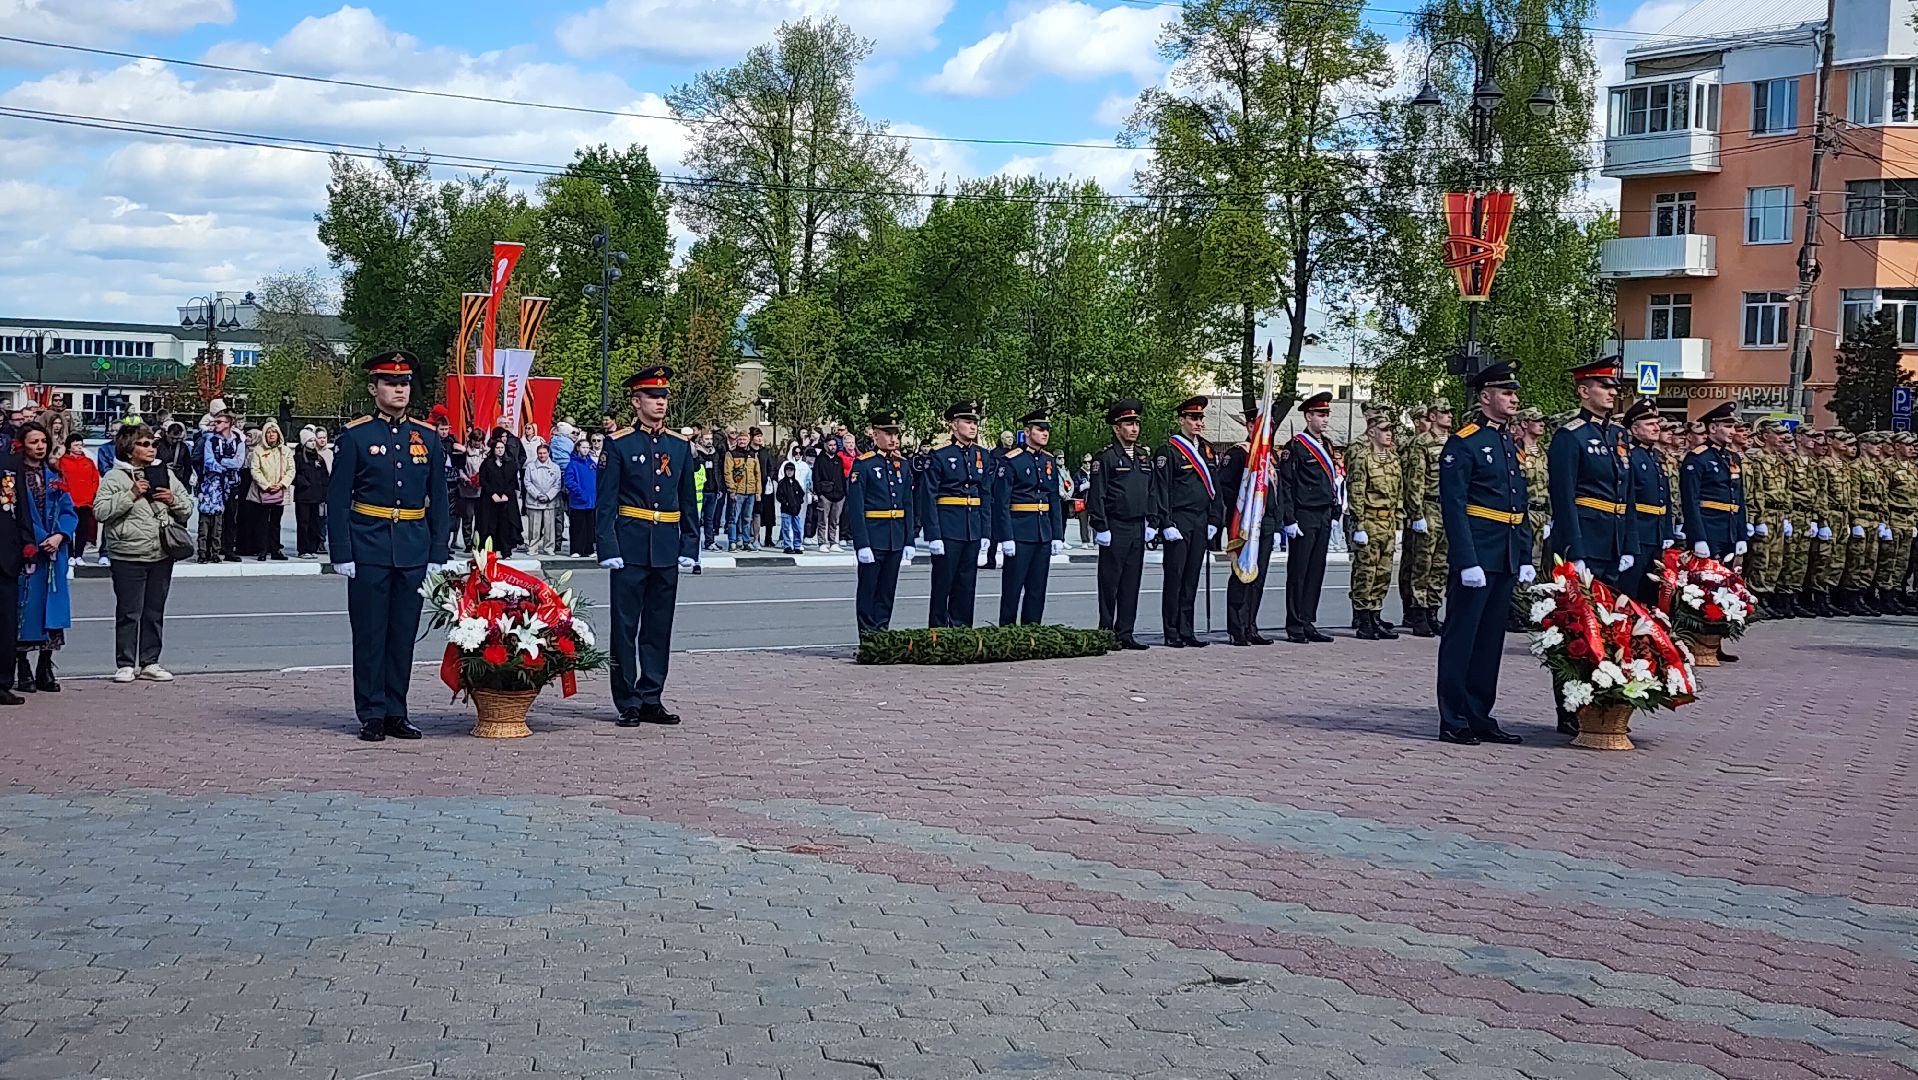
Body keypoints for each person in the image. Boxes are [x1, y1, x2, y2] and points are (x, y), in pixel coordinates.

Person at [327, 350, 450, 743]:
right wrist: (342, 552)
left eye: (404, 383)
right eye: (390, 383)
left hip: (412, 546)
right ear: (373, 388)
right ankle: (372, 712)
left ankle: (397, 710)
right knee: (369, 633)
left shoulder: (427, 436)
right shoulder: (356, 435)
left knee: (402, 634)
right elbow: (339, 498)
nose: (399, 390)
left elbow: (439, 500)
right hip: (369, 545)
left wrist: (437, 553)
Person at [1434, 361, 1531, 747]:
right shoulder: (1465, 442)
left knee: (1491, 640)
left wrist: (1523, 555)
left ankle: (1479, 713)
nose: (1514, 399)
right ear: (1485, 397)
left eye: (1514, 392)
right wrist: (1466, 559)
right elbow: (1454, 505)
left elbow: (1517, 501)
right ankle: (1453, 717)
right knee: (1463, 637)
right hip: (1478, 553)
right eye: (1506, 393)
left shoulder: (1507, 442)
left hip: (1505, 553)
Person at [596, 365, 698, 727]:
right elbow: (605, 501)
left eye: (664, 397)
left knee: (658, 626)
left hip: (666, 547)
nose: (660, 403)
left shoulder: (679, 445)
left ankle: (652, 694)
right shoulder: (620, 443)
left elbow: (689, 500)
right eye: (653, 397)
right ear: (636, 401)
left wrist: (690, 543)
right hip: (631, 546)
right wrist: (607, 547)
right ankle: (627, 700)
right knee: (625, 626)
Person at [93, 423, 189, 683]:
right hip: (127, 553)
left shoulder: (164, 473)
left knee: (154, 611)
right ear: (129, 448)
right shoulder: (115, 477)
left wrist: (174, 500)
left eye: (153, 444)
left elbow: (187, 506)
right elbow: (100, 511)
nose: (151, 448)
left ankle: (150, 661)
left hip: (160, 552)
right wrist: (131, 494)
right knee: (129, 612)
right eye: (144, 444)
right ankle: (125, 663)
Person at [13, 422, 75, 694]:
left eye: (42, 442)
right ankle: (23, 666)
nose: (39, 447)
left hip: (54, 550)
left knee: (53, 608)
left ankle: (46, 665)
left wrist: (60, 535)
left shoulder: (54, 474)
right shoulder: (13, 476)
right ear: (22, 444)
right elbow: (16, 513)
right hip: (29, 550)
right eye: (33, 442)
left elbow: (67, 509)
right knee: (25, 608)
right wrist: (38, 538)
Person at [919, 401, 992, 628]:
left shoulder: (982, 455)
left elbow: (987, 496)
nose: (973, 427)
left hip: (972, 527)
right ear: (954, 425)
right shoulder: (940, 456)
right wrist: (933, 534)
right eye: (968, 422)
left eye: (975, 423)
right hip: (948, 527)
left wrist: (986, 531)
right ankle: (938, 632)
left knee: (966, 584)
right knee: (943, 584)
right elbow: (928, 496)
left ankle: (961, 630)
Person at [1088, 399, 1154, 650]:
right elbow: (1098, 495)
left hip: (1137, 526)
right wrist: (1100, 526)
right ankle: (1106, 631)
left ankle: (1126, 631)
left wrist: (1152, 520)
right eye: (1128, 423)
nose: (1134, 428)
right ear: (1117, 428)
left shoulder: (1143, 457)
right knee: (1110, 582)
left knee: (1131, 582)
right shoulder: (1106, 457)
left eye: (1136, 423)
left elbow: (1151, 491)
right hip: (1115, 526)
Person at [990, 408, 1065, 626]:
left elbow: (1054, 500)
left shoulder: (1048, 461)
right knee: (1013, 588)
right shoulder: (1012, 460)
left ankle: (1033, 630)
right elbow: (1001, 502)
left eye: (1047, 430)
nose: (1045, 434)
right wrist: (1005, 537)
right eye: (1040, 430)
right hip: (1019, 531)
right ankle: (1008, 631)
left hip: (1042, 532)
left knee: (1037, 588)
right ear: (1027, 431)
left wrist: (1057, 535)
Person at [1279, 392, 1341, 644]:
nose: (1325, 419)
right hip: (1304, 514)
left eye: (1327, 414)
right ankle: (1294, 625)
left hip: (1323, 513)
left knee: (1316, 570)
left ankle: (1308, 620)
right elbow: (1286, 485)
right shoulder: (1295, 447)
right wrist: (1289, 519)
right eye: (1320, 414)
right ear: (1308, 416)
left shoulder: (1326, 444)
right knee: (1299, 571)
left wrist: (1335, 510)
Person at [1216, 408, 1281, 646]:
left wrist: (1277, 522)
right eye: (1261, 425)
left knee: (1258, 577)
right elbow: (1226, 489)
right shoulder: (1238, 454)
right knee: (1242, 575)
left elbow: (1276, 492)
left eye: (1270, 426)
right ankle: (1237, 628)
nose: (1267, 430)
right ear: (1250, 426)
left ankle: (1252, 625)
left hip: (1266, 522)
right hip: (1245, 523)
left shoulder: (1269, 455)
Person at [847, 412, 915, 633]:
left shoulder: (902, 465)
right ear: (874, 434)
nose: (893, 438)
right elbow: (856, 508)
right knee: (869, 590)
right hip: (874, 536)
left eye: (896, 433)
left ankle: (882, 632)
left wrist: (910, 539)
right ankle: (868, 637)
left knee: (887, 591)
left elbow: (907, 503)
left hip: (895, 536)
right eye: (888, 433)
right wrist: (861, 543)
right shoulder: (863, 464)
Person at [1344, 406, 1403, 641]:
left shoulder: (1393, 460)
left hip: (1387, 522)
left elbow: (1398, 492)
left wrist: (1398, 522)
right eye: (1384, 430)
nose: (1389, 434)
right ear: (1371, 433)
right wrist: (1358, 524)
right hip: (1369, 520)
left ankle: (1376, 613)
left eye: (1390, 430)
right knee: (1365, 571)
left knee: (1383, 572)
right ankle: (1362, 617)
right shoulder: (1362, 458)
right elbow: (1356, 492)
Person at [1402, 402, 1452, 637]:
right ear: (1433, 416)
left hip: (1448, 507)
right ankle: (1418, 611)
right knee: (1423, 562)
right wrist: (1416, 513)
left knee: (1441, 564)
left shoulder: (1453, 442)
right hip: (1429, 505)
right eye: (1445, 413)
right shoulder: (1421, 443)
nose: (1450, 416)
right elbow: (1415, 481)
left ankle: (1433, 610)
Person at [1621, 399, 1676, 608]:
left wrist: (1667, 532)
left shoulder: (1655, 456)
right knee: (1632, 590)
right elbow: (1628, 500)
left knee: (1651, 591)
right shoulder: (1630, 456)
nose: (1656, 428)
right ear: (1634, 429)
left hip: (1656, 532)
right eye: (1649, 424)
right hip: (1639, 531)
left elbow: (1665, 497)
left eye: (1657, 423)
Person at [196, 411, 243, 563]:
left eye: (219, 422)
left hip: (232, 484)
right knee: (211, 520)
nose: (215, 424)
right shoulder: (210, 441)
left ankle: (227, 549)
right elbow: (209, 462)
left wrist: (221, 461)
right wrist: (225, 464)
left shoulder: (238, 442)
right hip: (214, 486)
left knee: (230, 518)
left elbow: (238, 463)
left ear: (229, 423)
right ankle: (207, 551)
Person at [248, 420, 293, 561]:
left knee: (276, 523)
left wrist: (282, 484)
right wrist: (266, 485)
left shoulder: (285, 451)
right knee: (261, 522)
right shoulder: (258, 450)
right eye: (268, 432)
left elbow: (291, 469)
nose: (271, 435)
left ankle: (275, 550)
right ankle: (262, 550)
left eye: (274, 432)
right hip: (262, 492)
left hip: (279, 491)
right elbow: (255, 469)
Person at [56, 434, 100, 565]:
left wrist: (92, 494)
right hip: (70, 500)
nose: (79, 447)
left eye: (81, 445)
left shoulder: (88, 462)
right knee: (69, 527)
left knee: (83, 529)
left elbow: (95, 479)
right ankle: (69, 555)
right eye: (76, 445)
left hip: (86, 500)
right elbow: (60, 479)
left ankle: (79, 555)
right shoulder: (62, 462)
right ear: (69, 447)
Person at [477, 432, 521, 553]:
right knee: (489, 525)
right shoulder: (486, 464)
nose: (500, 450)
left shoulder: (510, 463)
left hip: (506, 500)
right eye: (497, 448)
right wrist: (493, 494)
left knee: (505, 526)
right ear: (493, 449)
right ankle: (489, 550)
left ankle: (506, 550)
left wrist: (506, 494)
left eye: (502, 448)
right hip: (490, 500)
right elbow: (483, 480)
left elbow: (513, 481)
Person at [294, 426, 332, 558]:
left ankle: (312, 547)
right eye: (310, 441)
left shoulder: (319, 458)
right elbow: (295, 475)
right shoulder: (298, 458)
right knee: (303, 523)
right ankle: (303, 549)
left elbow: (324, 476)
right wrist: (305, 484)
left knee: (314, 523)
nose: (313, 443)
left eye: (313, 440)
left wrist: (323, 492)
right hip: (303, 497)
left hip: (316, 496)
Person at [522, 443, 563, 556]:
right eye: (540, 453)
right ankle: (532, 547)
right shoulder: (530, 467)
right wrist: (537, 495)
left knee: (550, 527)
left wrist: (548, 496)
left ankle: (549, 548)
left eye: (544, 453)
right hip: (534, 501)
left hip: (550, 501)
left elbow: (557, 484)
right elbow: (527, 482)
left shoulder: (555, 467)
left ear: (548, 453)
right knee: (534, 527)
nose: (542, 455)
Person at [564, 435, 599, 557]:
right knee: (577, 527)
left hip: (591, 501)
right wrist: (579, 492)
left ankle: (588, 550)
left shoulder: (592, 463)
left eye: (587, 447)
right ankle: (576, 550)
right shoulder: (572, 464)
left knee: (590, 527)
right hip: (578, 501)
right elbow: (569, 481)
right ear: (578, 448)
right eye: (583, 447)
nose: (585, 449)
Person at [813, 439, 848, 552]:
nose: (833, 447)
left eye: (834, 445)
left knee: (834, 521)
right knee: (822, 520)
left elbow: (842, 477)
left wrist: (843, 492)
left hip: (839, 495)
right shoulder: (820, 460)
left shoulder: (839, 460)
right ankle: (822, 542)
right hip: (825, 494)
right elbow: (816, 477)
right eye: (830, 445)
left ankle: (833, 542)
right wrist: (819, 493)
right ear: (825, 446)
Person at [774, 461, 805, 553]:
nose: (789, 472)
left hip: (796, 510)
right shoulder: (782, 483)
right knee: (786, 529)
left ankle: (797, 546)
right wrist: (786, 502)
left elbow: (801, 494)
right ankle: (787, 546)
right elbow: (779, 496)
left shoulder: (796, 483)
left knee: (797, 529)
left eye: (791, 470)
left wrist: (798, 503)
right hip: (786, 510)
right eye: (787, 470)